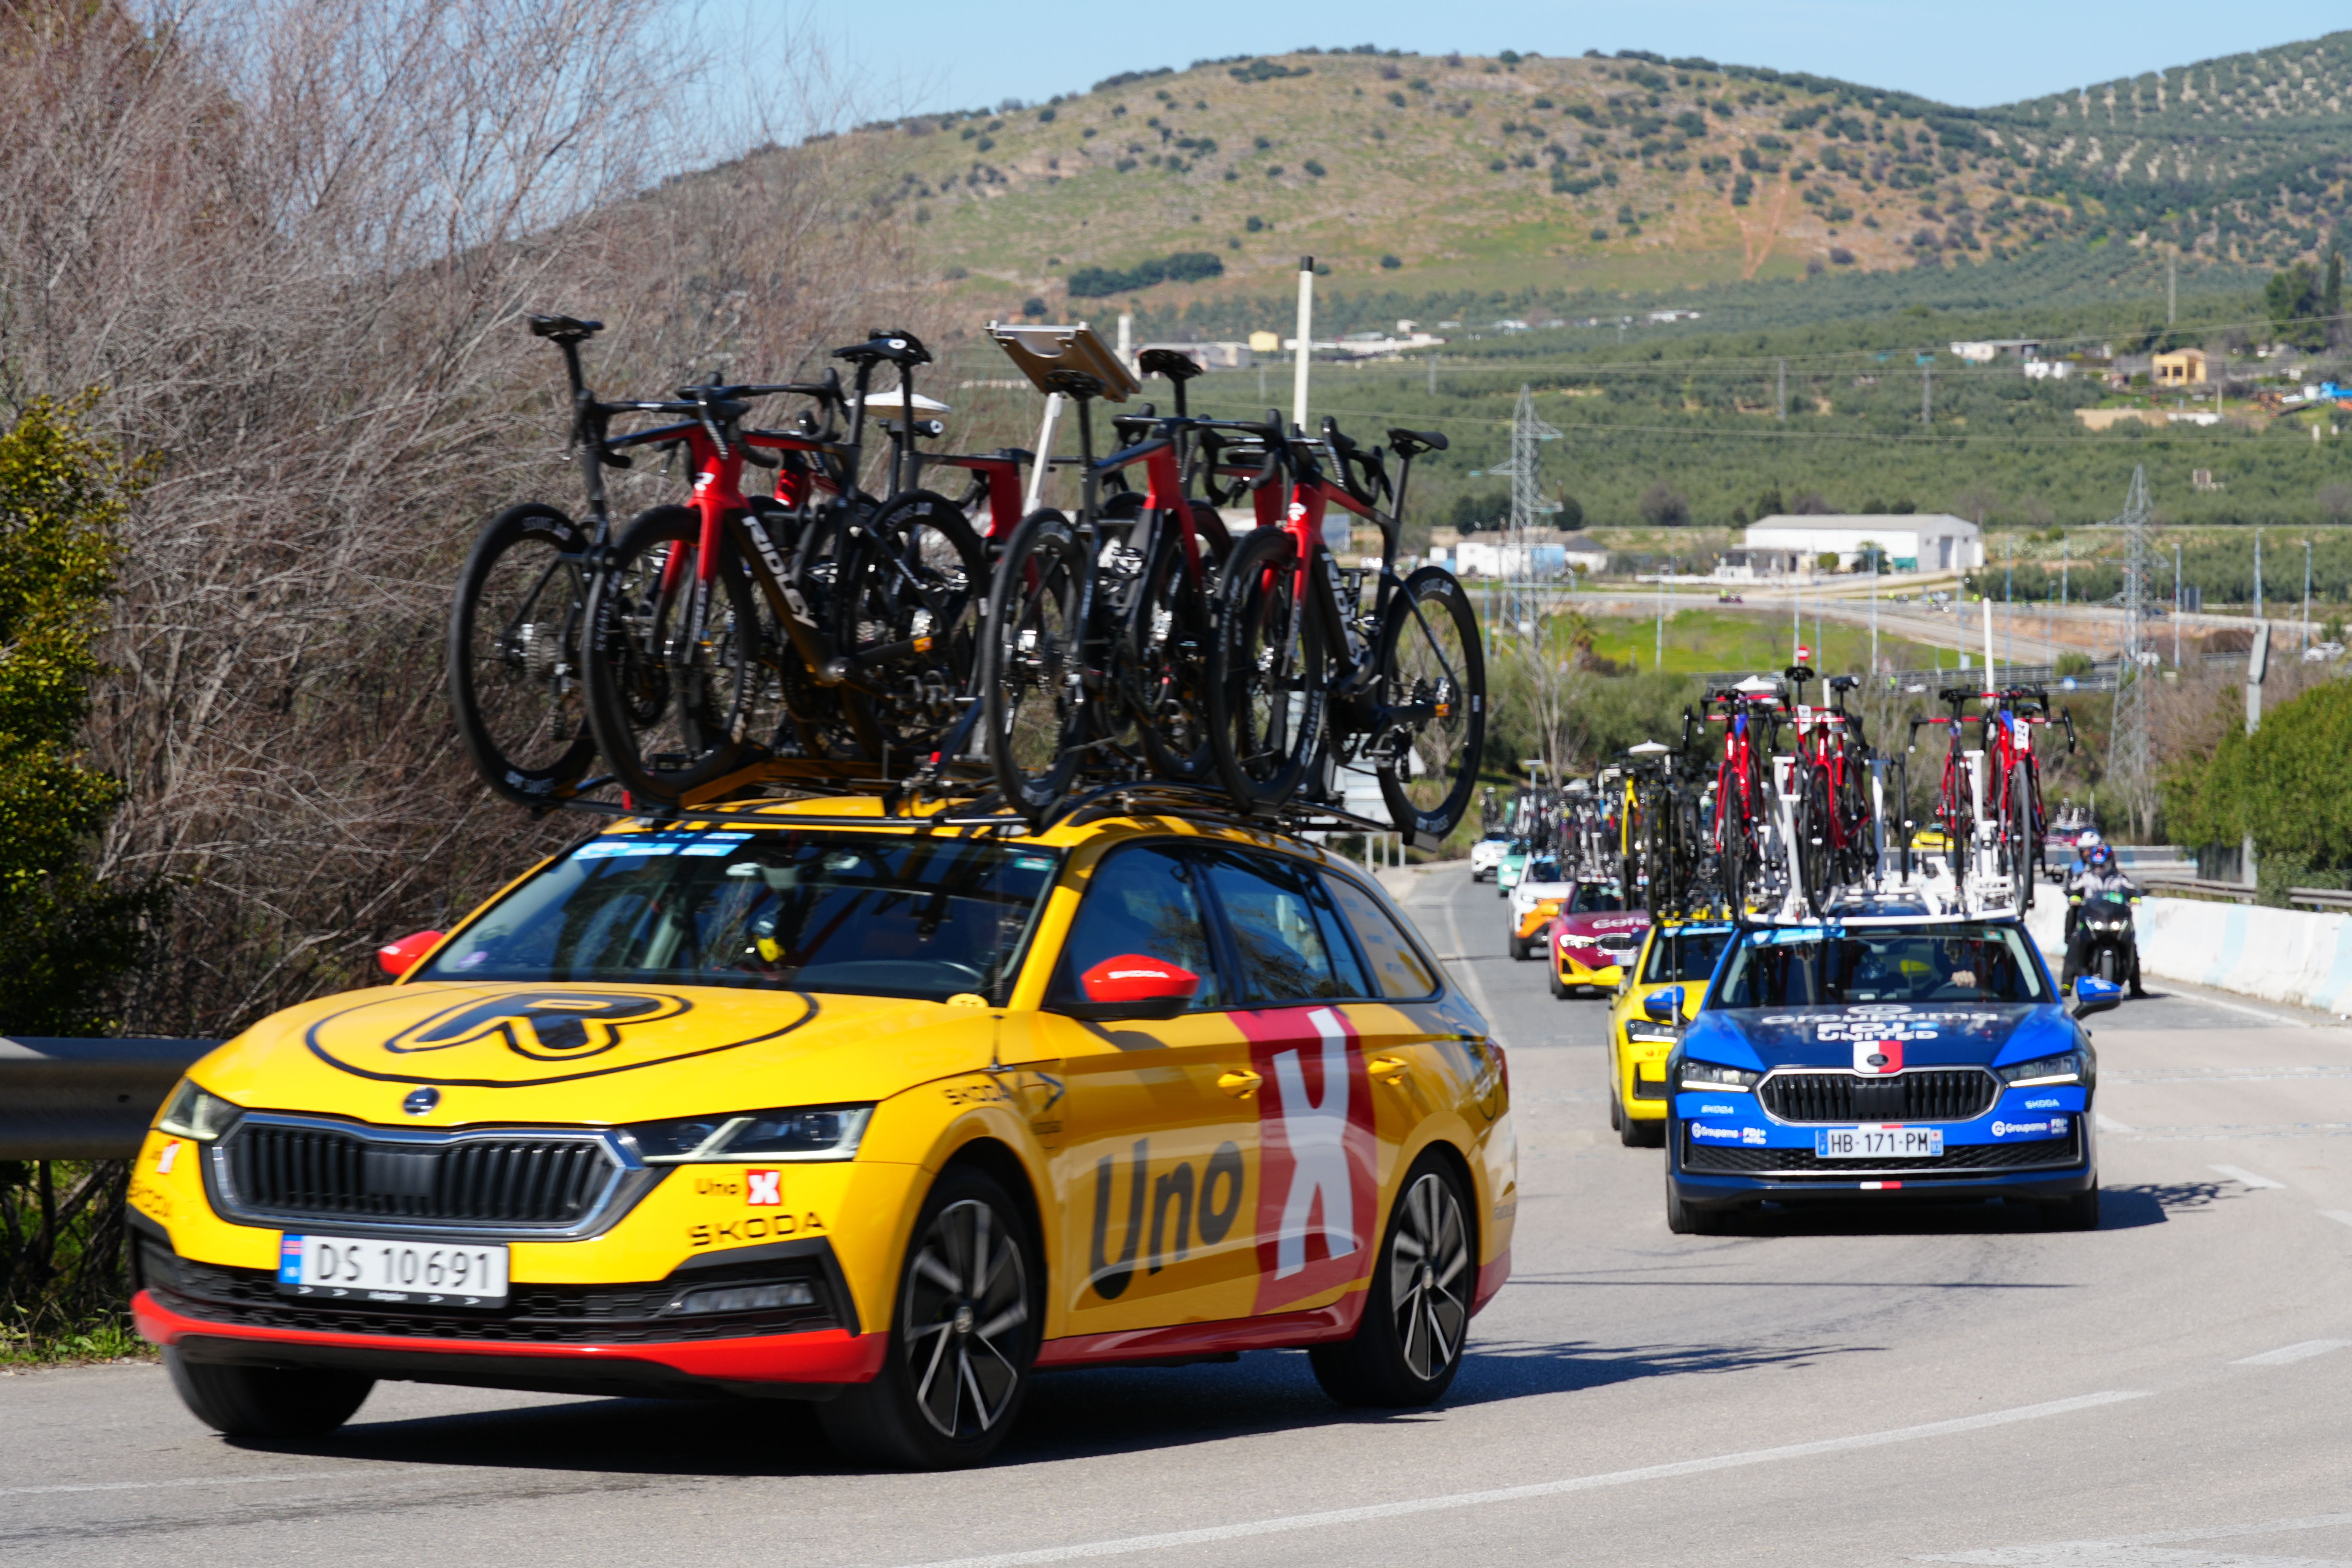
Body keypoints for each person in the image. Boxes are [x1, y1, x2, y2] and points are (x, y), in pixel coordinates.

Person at [2061, 843, 2145, 997]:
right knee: (2075, 942)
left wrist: (2135, 897)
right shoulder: (2084, 878)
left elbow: (2134, 890)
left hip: (2115, 921)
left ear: (2111, 864)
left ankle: (2136, 987)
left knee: (2131, 943)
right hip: (2091, 920)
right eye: (2096, 866)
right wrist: (2074, 896)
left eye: (2103, 865)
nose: (2100, 869)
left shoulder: (2120, 879)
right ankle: (2066, 985)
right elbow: (2073, 889)